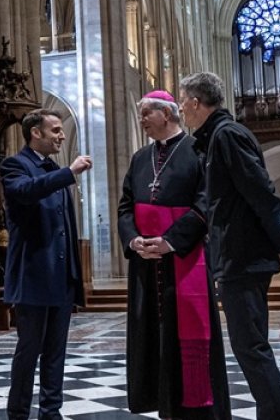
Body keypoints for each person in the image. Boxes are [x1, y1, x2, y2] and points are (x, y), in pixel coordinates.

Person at [178, 72, 280, 420]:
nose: (180, 108)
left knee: (251, 347)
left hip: (243, 257)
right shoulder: (216, 136)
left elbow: (262, 193)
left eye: (182, 100)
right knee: (249, 346)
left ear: (195, 101)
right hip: (238, 255)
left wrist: (279, 243)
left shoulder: (227, 135)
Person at [117, 90, 231, 420]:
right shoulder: (140, 159)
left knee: (187, 337)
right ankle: (160, 401)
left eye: (145, 113)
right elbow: (125, 206)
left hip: (185, 260)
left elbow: (206, 204)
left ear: (166, 114)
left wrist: (170, 241)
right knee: (151, 336)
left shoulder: (199, 152)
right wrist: (134, 240)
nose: (140, 119)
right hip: (145, 265)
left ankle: (194, 407)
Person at [0, 109, 92, 420]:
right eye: (55, 130)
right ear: (35, 133)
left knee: (56, 353)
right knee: (29, 352)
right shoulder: (15, 166)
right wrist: (69, 172)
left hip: (62, 278)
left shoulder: (52, 168)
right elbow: (25, 192)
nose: (61, 135)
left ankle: (51, 412)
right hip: (34, 277)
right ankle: (18, 413)